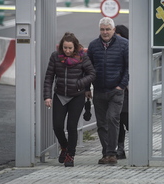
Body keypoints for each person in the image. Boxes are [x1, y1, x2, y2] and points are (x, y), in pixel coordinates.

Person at [43, 32, 96, 167]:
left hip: (76, 96)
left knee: (71, 126)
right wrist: (47, 96)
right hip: (60, 95)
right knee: (57, 126)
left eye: (70, 48)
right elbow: (49, 77)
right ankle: (65, 147)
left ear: (75, 47)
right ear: (61, 47)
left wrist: (79, 83)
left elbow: (92, 74)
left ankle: (70, 155)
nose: (67, 51)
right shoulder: (55, 57)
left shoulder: (82, 57)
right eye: (65, 48)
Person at [86, 17, 129, 165]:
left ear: (113, 30)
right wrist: (87, 88)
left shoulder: (124, 45)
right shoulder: (93, 46)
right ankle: (106, 153)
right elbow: (88, 68)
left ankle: (112, 153)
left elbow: (129, 67)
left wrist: (121, 85)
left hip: (116, 90)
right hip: (99, 90)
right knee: (102, 124)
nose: (105, 32)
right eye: (102, 29)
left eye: (108, 29)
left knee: (112, 119)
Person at [115, 25, 129, 160]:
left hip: (129, 92)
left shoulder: (130, 52)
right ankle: (120, 148)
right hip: (115, 92)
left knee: (129, 120)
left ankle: (141, 146)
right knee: (117, 121)